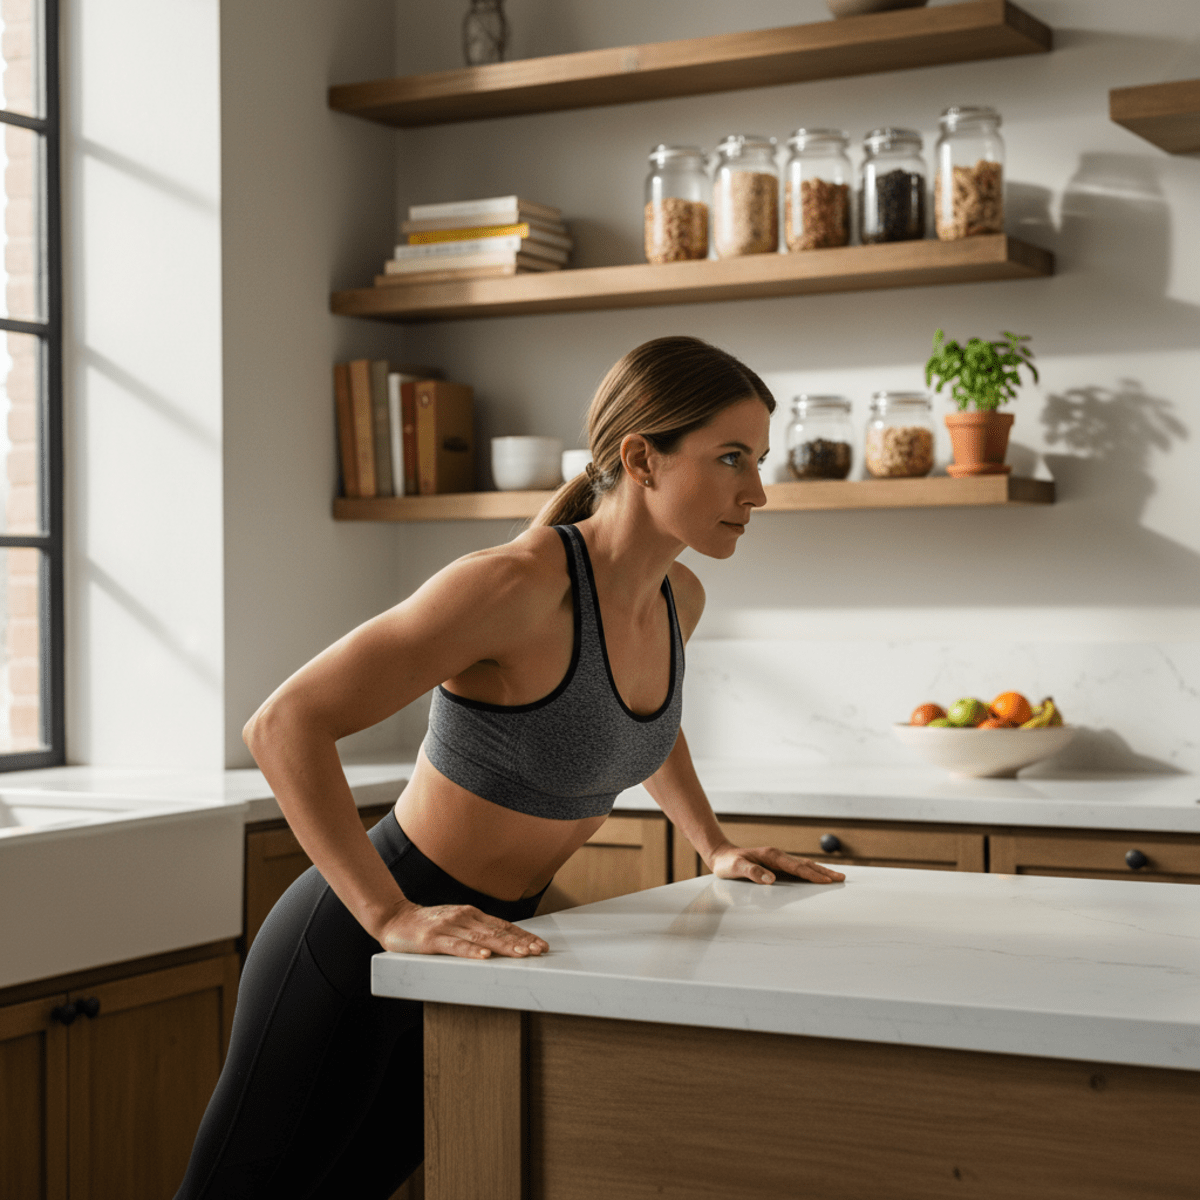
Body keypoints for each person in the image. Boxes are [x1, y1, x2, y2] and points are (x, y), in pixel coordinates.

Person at [175, 335, 846, 1199]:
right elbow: (283, 724)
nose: (756, 490)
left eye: (757, 460)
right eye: (729, 458)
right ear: (642, 457)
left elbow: (642, 717)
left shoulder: (680, 598)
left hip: (485, 941)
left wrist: (710, 843)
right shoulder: (513, 587)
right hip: (358, 933)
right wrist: (389, 914)